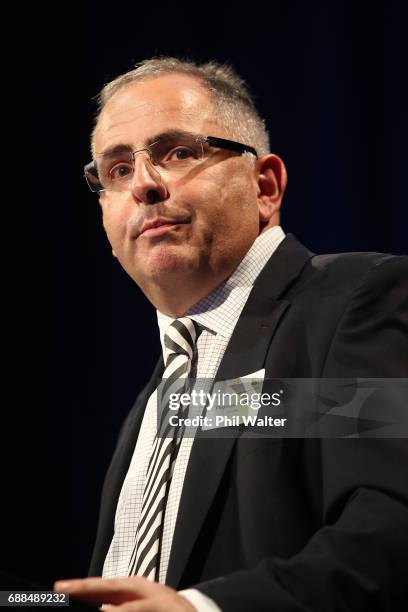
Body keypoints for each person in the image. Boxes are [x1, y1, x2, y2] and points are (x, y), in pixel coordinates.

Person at [54, 58, 408, 611]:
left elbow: (388, 539)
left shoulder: (352, 302)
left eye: (178, 152)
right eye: (118, 169)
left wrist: (201, 609)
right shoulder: (157, 400)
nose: (144, 184)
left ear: (264, 185)